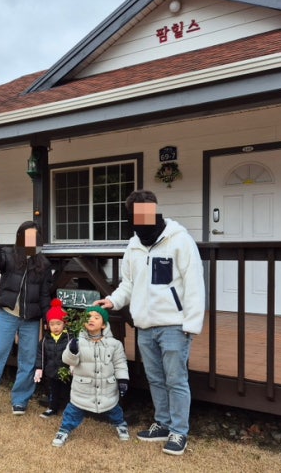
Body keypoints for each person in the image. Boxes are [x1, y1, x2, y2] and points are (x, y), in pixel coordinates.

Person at [95, 189, 205, 456]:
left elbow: (194, 283)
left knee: (176, 379)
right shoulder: (133, 246)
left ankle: (179, 432)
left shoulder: (179, 240)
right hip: (144, 326)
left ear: (154, 210)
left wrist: (191, 324)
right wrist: (113, 301)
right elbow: (129, 284)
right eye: (135, 214)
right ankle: (163, 424)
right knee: (155, 378)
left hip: (174, 326)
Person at [0, 221, 53, 417]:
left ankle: (20, 400)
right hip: (7, 315)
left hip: (31, 319)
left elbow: (44, 295)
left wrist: (48, 317)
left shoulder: (44, 264)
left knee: (28, 360)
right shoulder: (9, 255)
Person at [51, 306, 130, 447]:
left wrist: (123, 380)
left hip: (107, 389)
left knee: (114, 408)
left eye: (96, 317)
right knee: (73, 411)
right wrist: (72, 351)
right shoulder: (77, 342)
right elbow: (68, 360)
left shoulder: (114, 344)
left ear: (104, 324)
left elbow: (120, 363)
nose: (91, 319)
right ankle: (64, 430)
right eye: (88, 317)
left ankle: (120, 424)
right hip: (82, 389)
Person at [34, 298, 71, 418]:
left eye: (58, 324)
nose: (55, 327)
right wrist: (39, 368)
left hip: (65, 371)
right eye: (52, 324)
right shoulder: (45, 339)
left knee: (67, 392)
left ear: (64, 323)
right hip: (51, 371)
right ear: (48, 325)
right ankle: (52, 408)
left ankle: (68, 409)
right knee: (53, 391)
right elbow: (41, 354)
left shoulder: (69, 338)